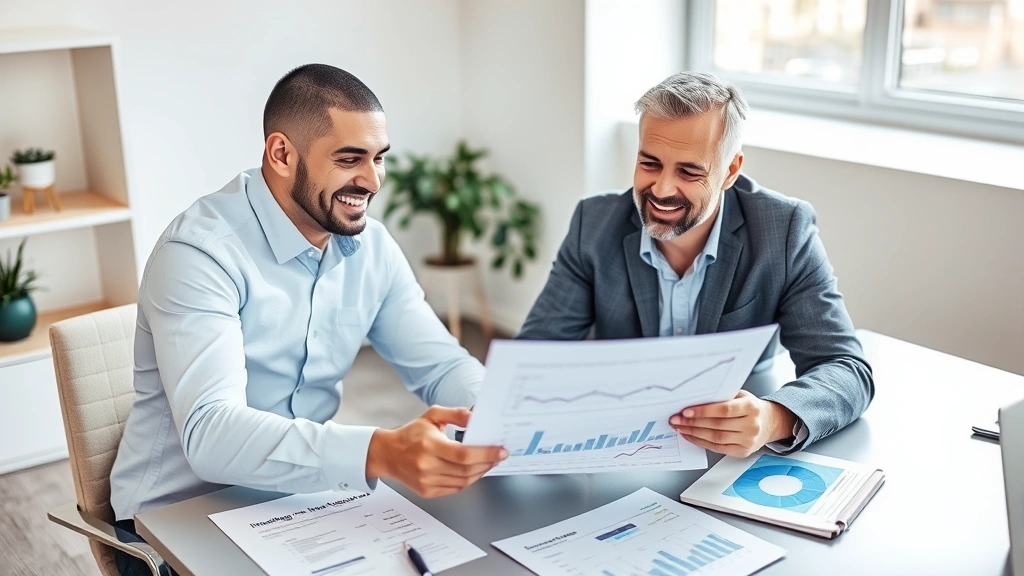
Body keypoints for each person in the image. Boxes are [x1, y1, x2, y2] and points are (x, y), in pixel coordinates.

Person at [108, 64, 506, 576]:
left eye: (379, 159)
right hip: (173, 522)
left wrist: (500, 413)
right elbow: (211, 433)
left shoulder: (372, 248)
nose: (372, 180)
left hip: (297, 501)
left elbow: (440, 364)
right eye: (349, 159)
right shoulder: (200, 254)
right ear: (281, 153)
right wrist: (379, 451)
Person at [518, 72, 873, 459]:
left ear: (730, 171)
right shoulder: (594, 224)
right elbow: (532, 360)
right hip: (619, 450)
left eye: (689, 171)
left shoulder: (783, 231)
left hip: (729, 452)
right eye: (649, 163)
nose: (662, 189)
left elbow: (846, 369)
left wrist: (772, 418)